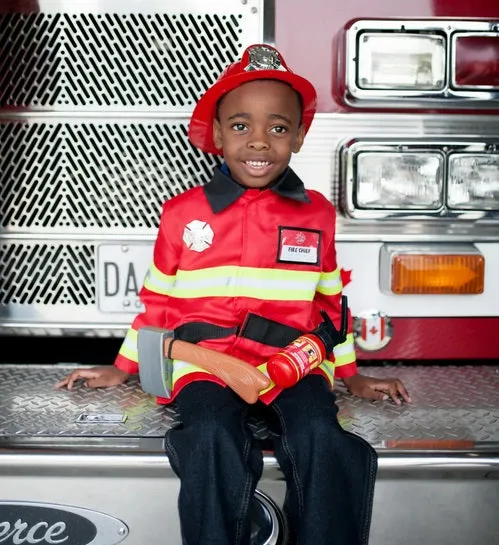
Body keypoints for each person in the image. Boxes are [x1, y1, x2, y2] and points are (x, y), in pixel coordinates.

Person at [56, 44, 411, 545]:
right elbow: (158, 301)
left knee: (322, 438)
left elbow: (332, 306)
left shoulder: (316, 213)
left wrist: (350, 377)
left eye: (278, 128)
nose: (259, 142)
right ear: (218, 135)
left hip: (292, 364)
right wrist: (123, 367)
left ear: (300, 136)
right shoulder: (182, 213)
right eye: (241, 127)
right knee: (207, 438)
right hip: (207, 363)